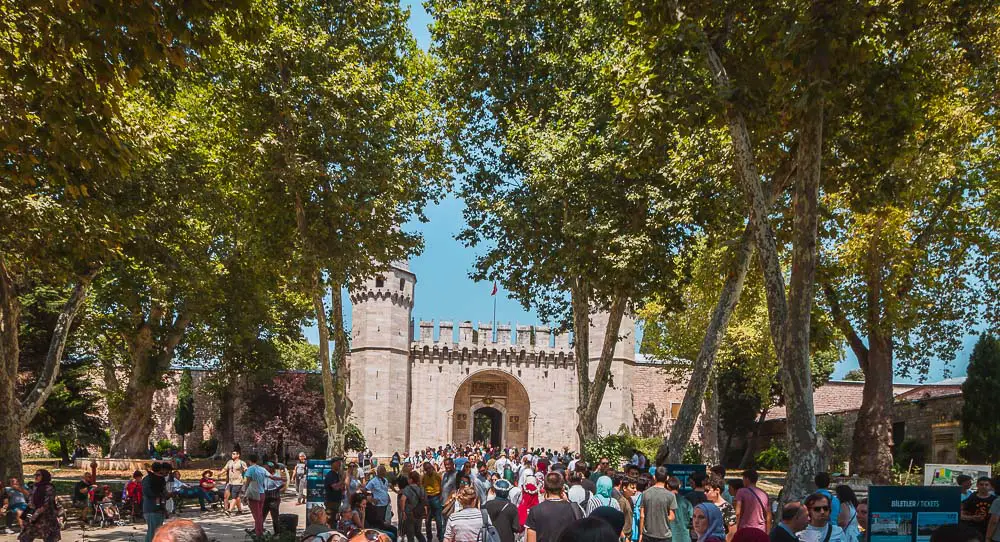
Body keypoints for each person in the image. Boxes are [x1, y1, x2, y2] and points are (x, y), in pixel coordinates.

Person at [524, 473, 581, 542]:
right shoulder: (573, 509)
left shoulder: (535, 510)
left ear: (544, 488)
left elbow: (531, 539)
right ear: (562, 488)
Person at [16, 470, 59, 542]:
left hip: (46, 516)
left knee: (48, 536)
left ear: (44, 476)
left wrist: (36, 514)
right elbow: (31, 498)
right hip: (33, 513)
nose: (36, 477)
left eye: (38, 475)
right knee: (25, 536)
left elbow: (47, 504)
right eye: (35, 475)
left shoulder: (49, 488)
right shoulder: (35, 486)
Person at [641, 466, 679, 542]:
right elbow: (672, 516)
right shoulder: (671, 495)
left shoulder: (645, 493)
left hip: (648, 534)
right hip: (664, 535)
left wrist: (641, 534)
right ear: (667, 478)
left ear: (654, 477)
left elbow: (642, 515)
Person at [735, 469, 771, 533]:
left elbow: (738, 513)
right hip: (760, 530)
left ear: (747, 479)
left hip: (745, 529)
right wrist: (767, 533)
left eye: (743, 479)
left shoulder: (741, 492)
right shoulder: (764, 493)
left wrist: (735, 530)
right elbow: (768, 516)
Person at [142, 462, 170, 542]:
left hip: (159, 510)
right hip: (151, 509)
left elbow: (164, 493)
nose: (166, 474)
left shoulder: (161, 479)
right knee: (152, 532)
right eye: (165, 471)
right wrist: (160, 495)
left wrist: (166, 495)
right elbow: (148, 492)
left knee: (157, 531)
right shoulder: (147, 479)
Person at [244, 453, 269, 536]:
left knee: (256, 514)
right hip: (262, 493)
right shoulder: (262, 469)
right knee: (260, 514)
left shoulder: (250, 469)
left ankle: (259, 532)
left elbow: (248, 482)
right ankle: (259, 529)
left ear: (249, 461)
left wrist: (245, 493)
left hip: (254, 493)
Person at [400, 471, 429, 542]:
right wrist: (426, 514)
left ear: (411, 479)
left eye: (408, 478)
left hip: (409, 513)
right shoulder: (422, 488)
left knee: (410, 534)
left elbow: (402, 500)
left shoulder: (408, 488)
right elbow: (425, 503)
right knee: (418, 532)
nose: (407, 480)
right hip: (419, 514)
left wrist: (403, 511)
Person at [423, 461, 445, 542]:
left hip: (436, 497)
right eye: (426, 469)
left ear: (432, 468)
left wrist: (440, 497)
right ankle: (429, 538)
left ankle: (440, 537)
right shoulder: (424, 477)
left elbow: (441, 485)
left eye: (429, 468)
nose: (428, 470)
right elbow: (422, 488)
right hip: (428, 498)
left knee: (438, 520)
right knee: (427, 520)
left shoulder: (436, 475)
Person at [668, 476, 694, 542]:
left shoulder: (665, 502)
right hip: (684, 537)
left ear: (667, 486)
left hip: (669, 537)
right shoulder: (686, 502)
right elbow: (692, 517)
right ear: (679, 486)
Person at [222, 449, 247, 516]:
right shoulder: (229, 462)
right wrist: (220, 474)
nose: (232, 455)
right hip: (230, 482)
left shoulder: (242, 463)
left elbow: (246, 471)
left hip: (238, 482)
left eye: (234, 454)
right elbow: (225, 468)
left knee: (234, 497)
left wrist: (245, 479)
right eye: (232, 453)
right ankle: (239, 510)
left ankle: (229, 511)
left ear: (238, 455)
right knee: (227, 496)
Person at [263, 462, 286, 533]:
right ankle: (258, 529)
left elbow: (282, 484)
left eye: (267, 468)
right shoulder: (265, 475)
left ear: (271, 468)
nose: (265, 469)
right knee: (262, 514)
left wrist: (275, 489)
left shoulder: (276, 475)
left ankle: (277, 532)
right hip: (265, 496)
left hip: (274, 497)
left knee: (275, 516)